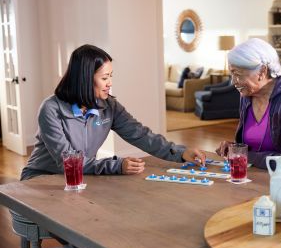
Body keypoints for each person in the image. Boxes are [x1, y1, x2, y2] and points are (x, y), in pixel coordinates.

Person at [21, 44, 205, 180]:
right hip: (41, 178)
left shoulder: (109, 106)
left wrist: (181, 153)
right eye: (104, 77)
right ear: (84, 79)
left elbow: (141, 135)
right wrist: (116, 165)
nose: (110, 83)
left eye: (111, 76)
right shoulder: (51, 109)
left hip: (82, 177)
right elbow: (68, 162)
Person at [216, 38, 281, 171]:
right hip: (258, 173)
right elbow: (256, 146)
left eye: (237, 74)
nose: (234, 82)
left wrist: (243, 155)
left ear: (262, 71)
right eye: (232, 74)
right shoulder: (247, 95)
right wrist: (235, 148)